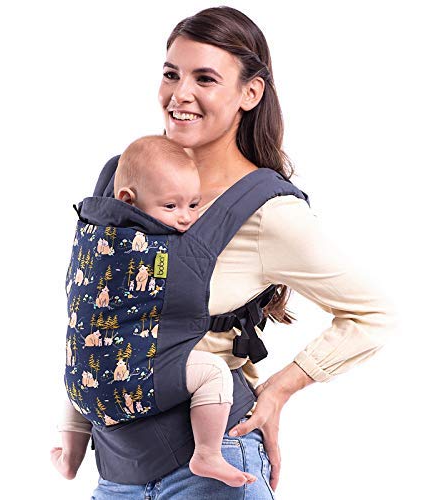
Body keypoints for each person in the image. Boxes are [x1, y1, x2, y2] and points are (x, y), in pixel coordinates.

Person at [51, 6, 395, 498]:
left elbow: (374, 313)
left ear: (250, 94)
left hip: (214, 467)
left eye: (205, 79)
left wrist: (278, 391)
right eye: (171, 74)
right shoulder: (122, 176)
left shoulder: (267, 211)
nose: (180, 94)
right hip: (117, 471)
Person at [53, 133, 258, 487]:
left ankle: (70, 457)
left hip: (81, 380)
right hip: (136, 375)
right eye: (171, 206)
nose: (186, 218)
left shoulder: (92, 231)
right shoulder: (153, 246)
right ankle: (207, 453)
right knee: (214, 372)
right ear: (127, 200)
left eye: (194, 205)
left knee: (85, 372)